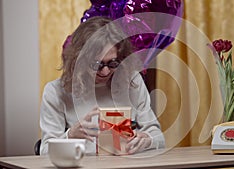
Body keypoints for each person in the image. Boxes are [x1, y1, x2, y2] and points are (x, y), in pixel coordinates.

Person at [39, 16, 165, 155]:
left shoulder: (132, 82)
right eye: (97, 65)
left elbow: (159, 137)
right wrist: (70, 135)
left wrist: (148, 140)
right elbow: (44, 151)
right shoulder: (56, 92)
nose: (105, 72)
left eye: (112, 63)